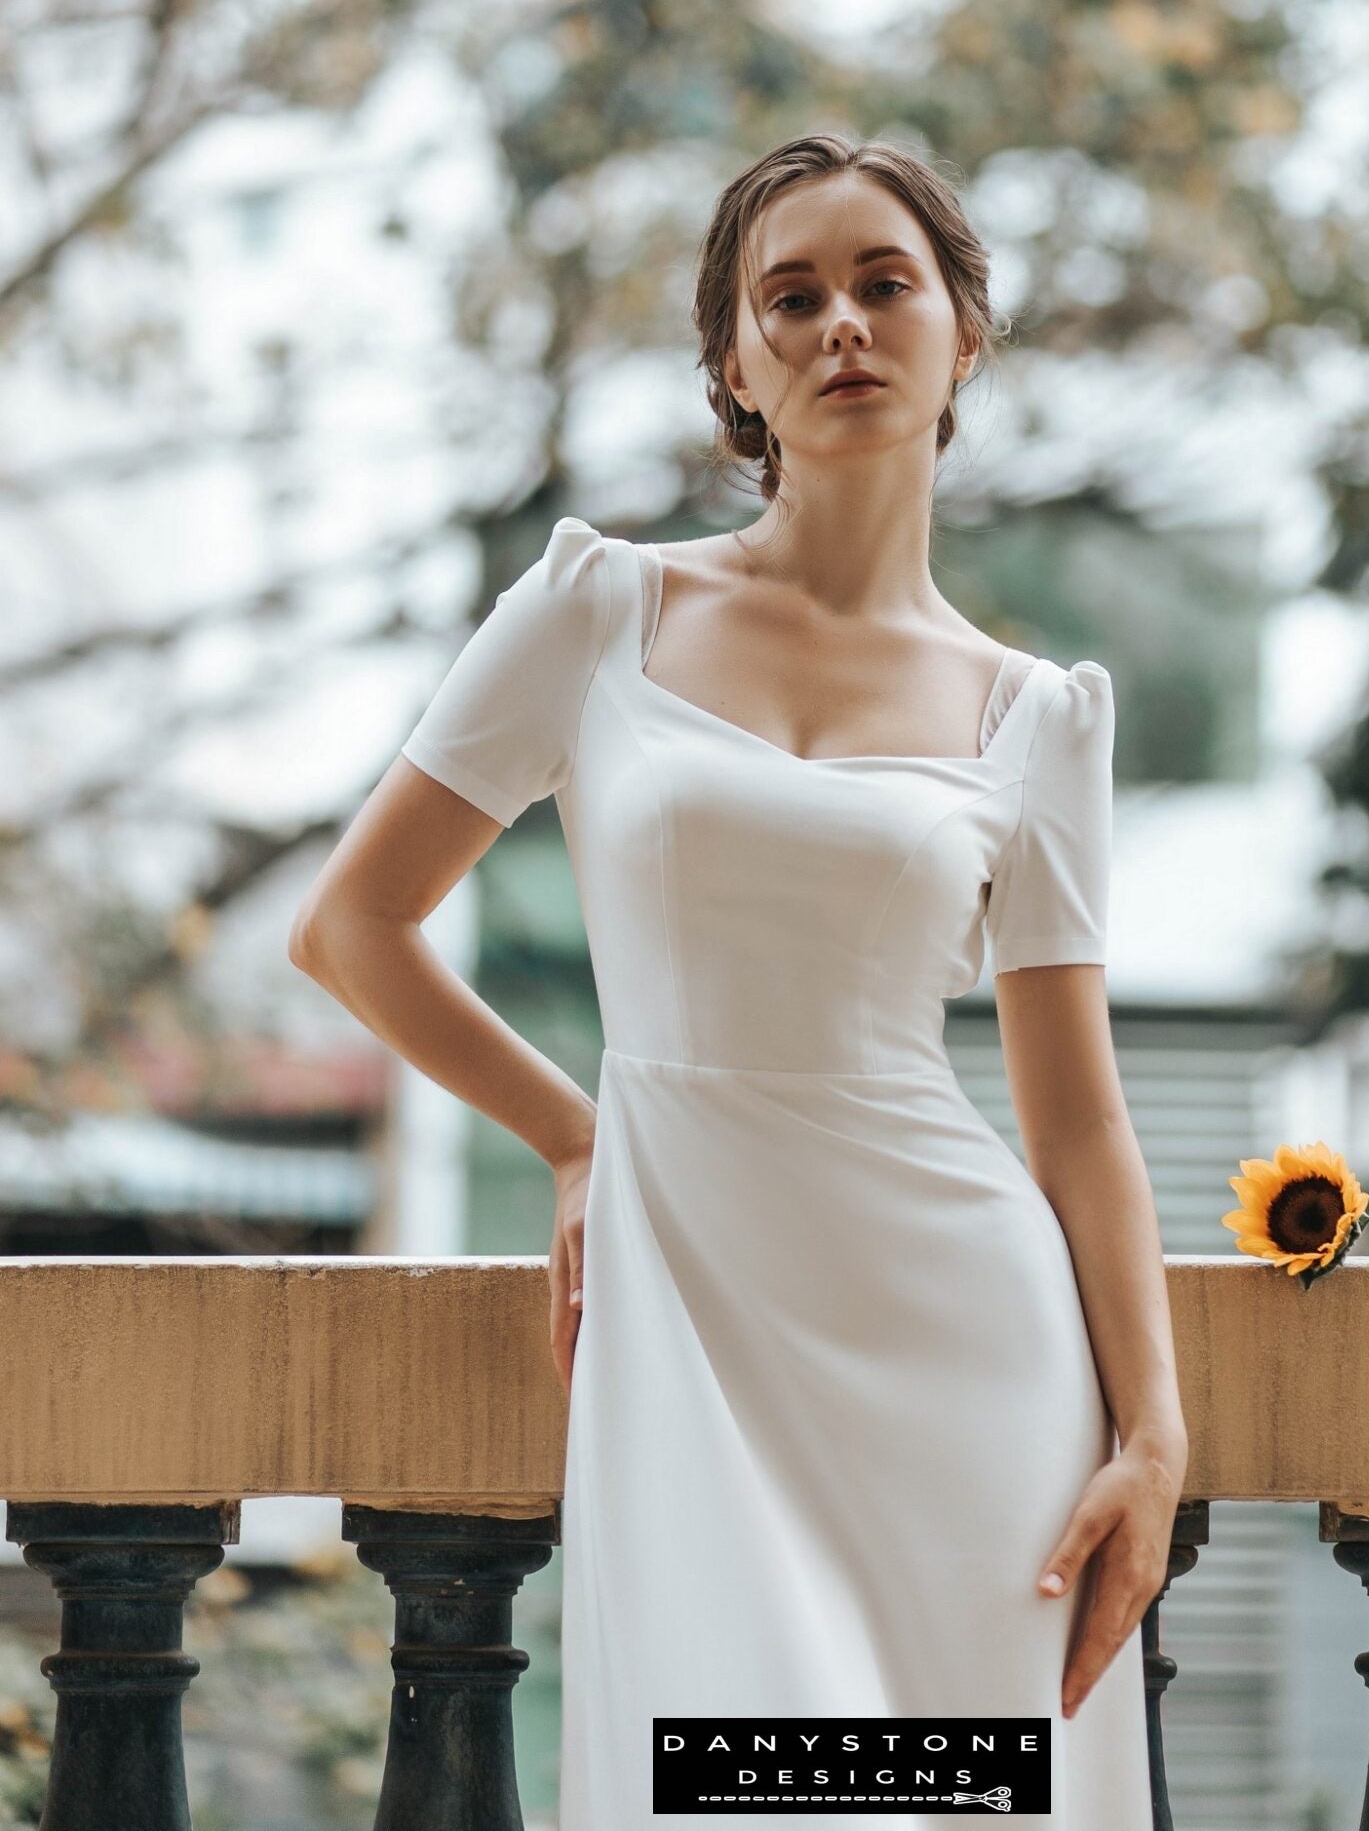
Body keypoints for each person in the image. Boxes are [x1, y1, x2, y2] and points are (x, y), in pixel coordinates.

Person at [289, 130, 1188, 1828]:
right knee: (727, 1787)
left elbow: (1078, 1123)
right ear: (735, 367)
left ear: (961, 337)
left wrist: (1152, 1433)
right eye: (792, 298)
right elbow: (354, 927)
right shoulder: (599, 612)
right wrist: (573, 1138)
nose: (841, 323)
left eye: (883, 284)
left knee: (956, 1799)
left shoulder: (1039, 716)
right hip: (691, 1305)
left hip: (966, 1350)